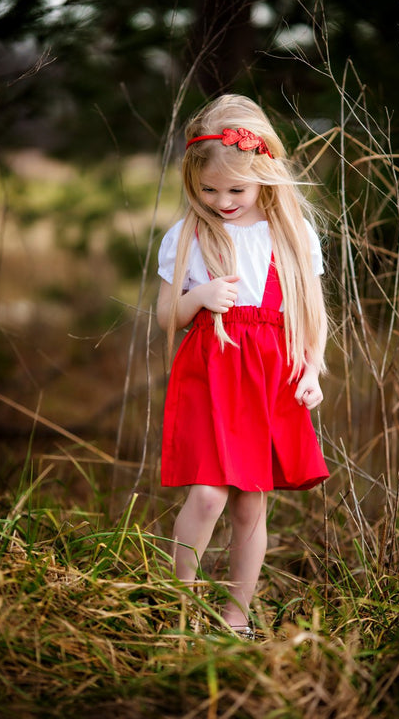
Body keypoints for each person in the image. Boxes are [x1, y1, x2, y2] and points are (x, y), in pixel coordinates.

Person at [156, 94, 329, 638]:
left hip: (270, 376)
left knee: (250, 506)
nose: (222, 200)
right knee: (207, 494)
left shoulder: (292, 235)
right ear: (192, 181)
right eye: (209, 189)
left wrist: (312, 369)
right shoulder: (186, 235)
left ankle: (235, 618)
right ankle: (179, 606)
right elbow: (168, 317)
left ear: (265, 176)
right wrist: (201, 294)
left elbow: (314, 315)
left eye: (237, 189)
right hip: (210, 370)